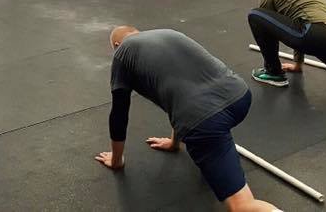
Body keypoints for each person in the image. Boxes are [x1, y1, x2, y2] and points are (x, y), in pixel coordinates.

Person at [95, 27, 277, 212]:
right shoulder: (167, 33)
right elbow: (182, 88)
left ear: (116, 45)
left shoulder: (122, 53)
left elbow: (119, 113)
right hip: (240, 96)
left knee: (241, 205)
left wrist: (117, 160)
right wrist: (174, 142)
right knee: (200, 112)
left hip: (205, 120)